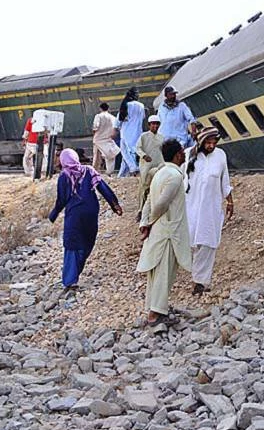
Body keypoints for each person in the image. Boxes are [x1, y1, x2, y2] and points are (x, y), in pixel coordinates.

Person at [48, 148, 123, 290]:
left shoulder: (64, 175)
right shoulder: (89, 171)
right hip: (91, 213)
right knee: (87, 242)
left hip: (74, 216)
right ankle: (75, 274)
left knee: (72, 245)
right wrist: (115, 204)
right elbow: (103, 188)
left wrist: (53, 214)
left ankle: (70, 280)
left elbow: (61, 199)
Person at [137, 138, 192, 324]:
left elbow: (148, 202)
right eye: (182, 152)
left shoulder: (161, 173)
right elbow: (160, 204)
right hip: (167, 232)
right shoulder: (175, 177)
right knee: (163, 273)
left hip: (159, 231)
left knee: (157, 273)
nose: (184, 155)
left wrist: (144, 223)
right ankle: (155, 314)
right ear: (177, 155)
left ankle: (155, 308)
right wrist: (150, 223)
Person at [186, 127, 234, 295]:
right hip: (190, 207)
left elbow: (225, 179)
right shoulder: (188, 155)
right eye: (208, 142)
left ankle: (200, 281)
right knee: (191, 241)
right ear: (201, 142)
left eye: (214, 143)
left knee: (208, 242)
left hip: (211, 208)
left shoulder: (220, 155)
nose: (211, 146)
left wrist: (229, 201)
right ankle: (193, 273)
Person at [136, 114, 165, 214]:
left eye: (157, 124)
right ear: (149, 125)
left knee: (158, 186)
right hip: (146, 166)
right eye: (153, 124)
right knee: (144, 187)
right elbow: (138, 148)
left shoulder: (161, 137)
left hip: (159, 165)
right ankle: (140, 210)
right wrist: (144, 156)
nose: (155, 126)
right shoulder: (144, 136)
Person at [116, 87, 146, 178]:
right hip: (138, 134)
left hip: (125, 135)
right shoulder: (141, 106)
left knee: (127, 155)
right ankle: (121, 176)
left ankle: (133, 170)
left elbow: (118, 123)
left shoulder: (124, 106)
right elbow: (143, 117)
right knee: (130, 155)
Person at [91, 102, 121, 176]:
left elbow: (95, 127)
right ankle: (109, 172)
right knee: (110, 156)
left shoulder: (98, 116)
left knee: (96, 157)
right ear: (108, 108)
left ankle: (94, 172)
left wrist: (94, 133)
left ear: (100, 108)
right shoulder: (112, 117)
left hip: (98, 140)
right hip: (108, 139)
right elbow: (116, 128)